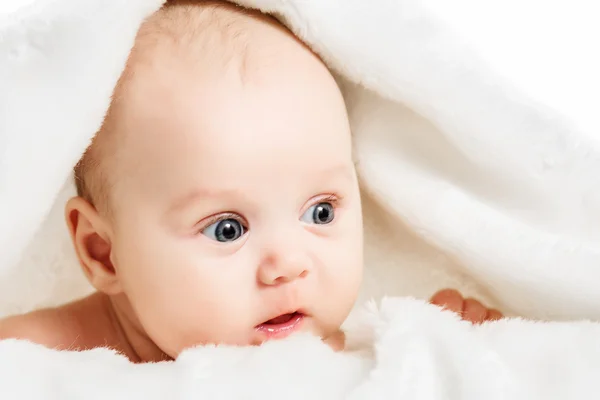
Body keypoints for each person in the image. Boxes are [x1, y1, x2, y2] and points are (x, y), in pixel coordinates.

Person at [0, 0, 500, 363]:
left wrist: (448, 350)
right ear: (103, 252)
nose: (288, 266)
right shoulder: (35, 359)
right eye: (227, 229)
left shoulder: (349, 353)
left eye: (320, 212)